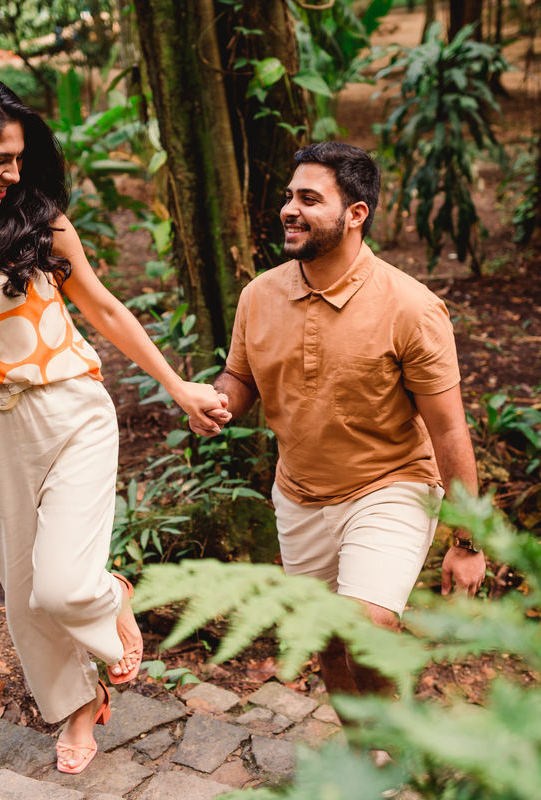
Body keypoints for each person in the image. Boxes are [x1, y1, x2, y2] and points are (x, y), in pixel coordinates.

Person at [0, 72, 227, 775]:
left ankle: (110, 594)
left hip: (70, 412)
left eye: (20, 157)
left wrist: (178, 386)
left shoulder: (39, 222)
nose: (13, 173)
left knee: (62, 587)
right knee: (25, 596)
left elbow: (105, 309)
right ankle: (75, 709)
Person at [194, 142, 485, 700]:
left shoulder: (412, 307)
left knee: (366, 627)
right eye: (288, 197)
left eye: (309, 198)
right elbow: (242, 379)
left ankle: (396, 749)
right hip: (298, 492)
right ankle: (365, 761)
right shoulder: (260, 295)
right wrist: (213, 403)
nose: (289, 210)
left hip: (390, 484)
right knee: (325, 639)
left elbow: (449, 428)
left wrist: (470, 540)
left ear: (356, 215)